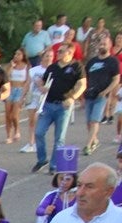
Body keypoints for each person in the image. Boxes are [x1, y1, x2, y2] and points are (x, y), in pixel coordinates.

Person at [33, 43, 86, 173]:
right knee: (39, 132)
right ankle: (42, 159)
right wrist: (41, 86)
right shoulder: (52, 67)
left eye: (61, 51)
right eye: (58, 51)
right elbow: (43, 82)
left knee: (59, 137)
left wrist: (72, 98)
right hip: (48, 104)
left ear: (70, 53)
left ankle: (54, 165)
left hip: (64, 105)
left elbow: (82, 84)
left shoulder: (77, 66)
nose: (58, 53)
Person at [32, 147, 79, 223]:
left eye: (68, 179)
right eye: (61, 179)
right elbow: (39, 210)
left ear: (74, 180)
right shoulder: (52, 196)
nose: (64, 182)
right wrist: (45, 211)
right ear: (56, 179)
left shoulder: (79, 196)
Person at [83, 38, 119, 154]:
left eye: (105, 44)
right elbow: (85, 78)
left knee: (94, 120)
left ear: (109, 45)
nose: (102, 45)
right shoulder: (92, 62)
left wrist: (106, 91)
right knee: (89, 121)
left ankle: (88, 146)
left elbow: (116, 79)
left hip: (101, 96)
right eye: (101, 43)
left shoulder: (113, 61)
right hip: (89, 94)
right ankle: (95, 140)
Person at [21, 48, 54, 154]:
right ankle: (31, 143)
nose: (48, 58)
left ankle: (37, 143)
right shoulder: (34, 70)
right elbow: (27, 83)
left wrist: (44, 87)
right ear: (42, 57)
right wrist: (22, 96)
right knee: (32, 121)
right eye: (47, 56)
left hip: (46, 99)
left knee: (40, 122)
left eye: (51, 56)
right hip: (33, 97)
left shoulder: (54, 70)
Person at [5, 49, 29, 144]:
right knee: (7, 114)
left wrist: (24, 94)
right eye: (15, 54)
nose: (16, 56)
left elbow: (27, 81)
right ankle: (8, 135)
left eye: (19, 54)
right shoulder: (11, 66)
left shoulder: (26, 67)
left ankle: (17, 129)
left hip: (20, 90)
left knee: (14, 114)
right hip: (10, 89)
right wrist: (11, 66)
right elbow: (6, 77)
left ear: (23, 56)